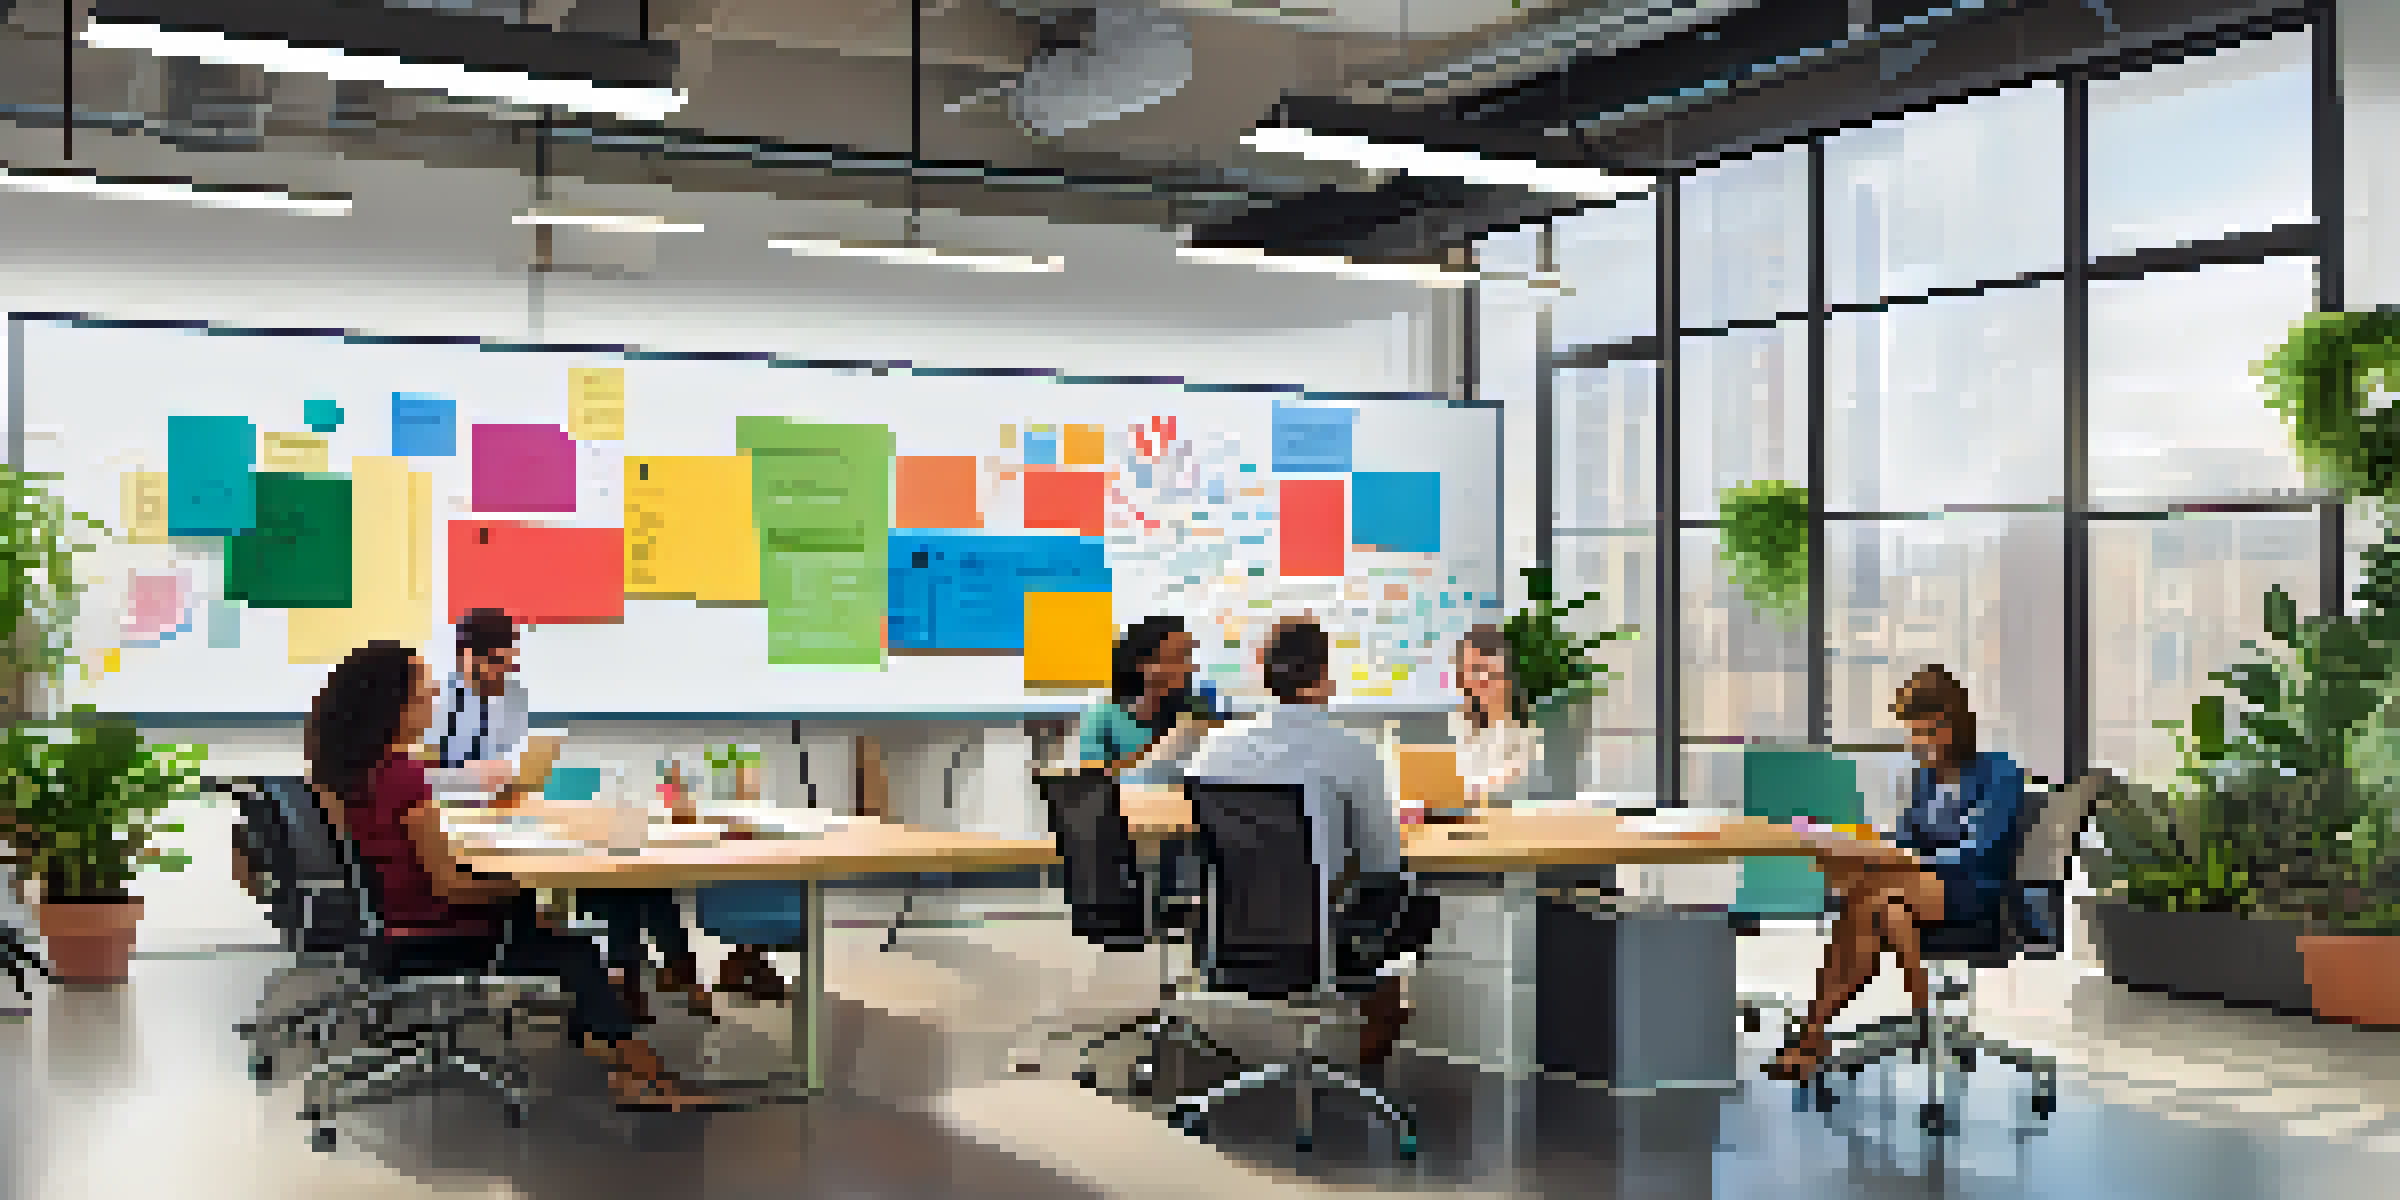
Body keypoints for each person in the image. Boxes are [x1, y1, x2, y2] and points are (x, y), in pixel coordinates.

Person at [305, 641, 726, 1110]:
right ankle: (648, 1077)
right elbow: (450, 887)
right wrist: (525, 887)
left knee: (554, 930)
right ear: (393, 704)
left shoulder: (346, 773)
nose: (432, 703)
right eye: (423, 694)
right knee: (576, 950)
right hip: (428, 931)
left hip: (387, 922)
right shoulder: (405, 777)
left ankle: (618, 1063)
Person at [433, 608, 710, 1023]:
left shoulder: (513, 696)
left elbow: (511, 766)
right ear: (468, 657)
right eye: (498, 664)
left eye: (511, 663)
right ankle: (651, 975)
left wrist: (512, 777)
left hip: (505, 818)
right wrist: (472, 776)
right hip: (453, 829)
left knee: (626, 870)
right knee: (627, 883)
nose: (504, 676)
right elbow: (423, 776)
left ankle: (633, 978)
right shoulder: (433, 702)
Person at [1764, 664, 2029, 1082]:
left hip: (1974, 891)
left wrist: (1909, 864)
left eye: (1924, 729)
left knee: (1867, 894)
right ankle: (1896, 1013)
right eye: (1912, 730)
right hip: (1916, 890)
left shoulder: (2000, 772)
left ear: (1952, 723)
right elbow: (1907, 837)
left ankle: (1817, 1036)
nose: (1916, 741)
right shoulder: (1926, 778)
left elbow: (1980, 848)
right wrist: (1863, 843)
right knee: (1880, 906)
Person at [1186, 618, 1417, 1067]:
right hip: (1321, 943)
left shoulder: (1214, 749)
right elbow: (1381, 863)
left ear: (1265, 674)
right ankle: (1372, 1049)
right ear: (1325, 675)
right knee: (1404, 901)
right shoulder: (1352, 750)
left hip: (1230, 939)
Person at [1450, 625, 1538, 811]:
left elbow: (1515, 790)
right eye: (1473, 670)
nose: (1482, 679)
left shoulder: (1525, 730)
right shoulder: (1458, 723)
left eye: (1488, 671)